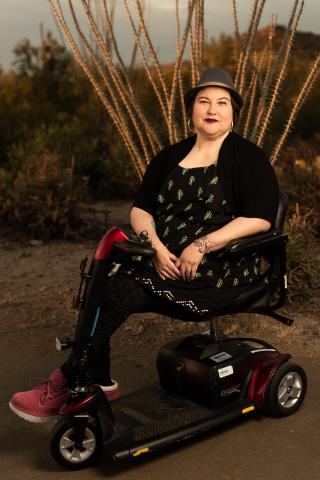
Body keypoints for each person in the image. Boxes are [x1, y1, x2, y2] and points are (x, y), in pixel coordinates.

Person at [9, 67, 279, 422]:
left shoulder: (247, 156)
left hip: (218, 269)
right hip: (161, 261)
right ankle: (98, 379)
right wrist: (154, 247)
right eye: (204, 101)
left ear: (233, 112)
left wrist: (201, 245)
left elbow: (260, 217)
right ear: (191, 110)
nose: (212, 109)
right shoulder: (169, 156)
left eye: (222, 102)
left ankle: (69, 378)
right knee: (101, 280)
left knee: (121, 290)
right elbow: (140, 209)